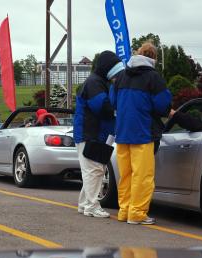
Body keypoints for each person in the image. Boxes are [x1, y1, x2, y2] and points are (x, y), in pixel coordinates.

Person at [110, 42, 172, 225]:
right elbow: (163, 105)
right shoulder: (153, 78)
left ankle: (124, 210)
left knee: (126, 175)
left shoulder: (121, 76)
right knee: (142, 176)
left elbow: (113, 101)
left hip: (122, 133)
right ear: (154, 58)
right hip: (142, 132)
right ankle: (137, 213)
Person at [73, 51, 125, 218]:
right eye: (115, 71)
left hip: (94, 134)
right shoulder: (94, 83)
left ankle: (84, 204)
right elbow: (101, 106)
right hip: (90, 134)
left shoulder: (97, 81)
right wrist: (119, 109)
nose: (117, 76)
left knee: (94, 170)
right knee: (93, 171)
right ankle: (91, 206)